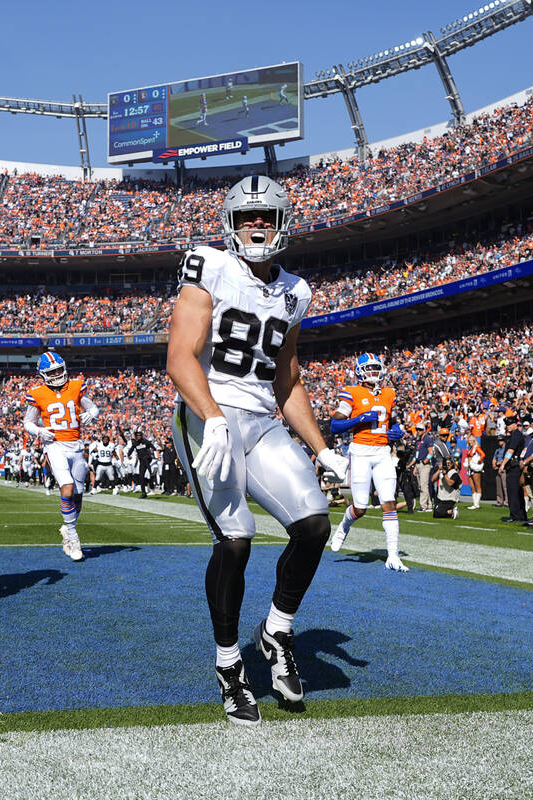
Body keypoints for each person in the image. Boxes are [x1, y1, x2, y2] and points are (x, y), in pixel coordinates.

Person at [166, 174, 349, 727]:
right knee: (237, 540)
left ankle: (276, 630)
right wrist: (214, 417)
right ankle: (228, 667)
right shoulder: (210, 267)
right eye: (246, 217)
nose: (255, 225)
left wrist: (322, 449)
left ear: (282, 224)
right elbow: (180, 356)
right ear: (229, 222)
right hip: (208, 417)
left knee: (314, 523)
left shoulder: (296, 290)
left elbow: (287, 380)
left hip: (262, 420)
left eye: (265, 217)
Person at [328, 352, 408, 571]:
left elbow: (392, 422)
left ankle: (393, 556)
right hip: (361, 451)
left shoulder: (389, 393)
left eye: (376, 368)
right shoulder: (351, 392)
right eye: (369, 368)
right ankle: (344, 526)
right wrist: (359, 419)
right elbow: (335, 425)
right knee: (361, 507)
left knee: (389, 502)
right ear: (360, 371)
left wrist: (396, 432)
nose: (374, 372)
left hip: (383, 453)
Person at [24, 351, 100, 562]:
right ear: (43, 374)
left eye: (59, 370)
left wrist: (90, 414)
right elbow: (28, 422)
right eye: (52, 372)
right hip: (54, 445)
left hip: (76, 445)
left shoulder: (76, 386)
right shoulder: (37, 393)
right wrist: (39, 431)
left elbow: (93, 408)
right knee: (66, 488)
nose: (57, 374)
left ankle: (69, 529)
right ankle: (72, 537)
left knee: (78, 494)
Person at [431, 454, 462, 519]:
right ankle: (450, 512)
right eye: (446, 463)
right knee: (435, 514)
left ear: (452, 464)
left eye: (449, 463)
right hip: (441, 497)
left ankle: (452, 512)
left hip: (450, 498)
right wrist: (439, 470)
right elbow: (432, 479)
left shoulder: (454, 473)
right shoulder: (442, 471)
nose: (447, 465)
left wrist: (444, 474)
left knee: (438, 513)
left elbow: (450, 483)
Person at [413, 423, 434, 513]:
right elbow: (417, 454)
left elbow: (431, 452)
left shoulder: (427, 439)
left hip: (424, 464)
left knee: (423, 486)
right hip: (419, 463)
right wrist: (415, 466)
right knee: (421, 486)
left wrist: (426, 460)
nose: (418, 431)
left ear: (424, 430)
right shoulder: (418, 440)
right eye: (417, 429)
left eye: (420, 429)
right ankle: (429, 505)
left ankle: (423, 506)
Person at [463, 434, 485, 511]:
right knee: (472, 487)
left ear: (474, 441)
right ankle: (474, 503)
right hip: (469, 469)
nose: (470, 442)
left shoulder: (477, 448)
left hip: (475, 469)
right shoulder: (470, 448)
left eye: (471, 441)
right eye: (469, 441)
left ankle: (477, 504)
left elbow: (483, 455)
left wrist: (478, 462)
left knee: (477, 486)